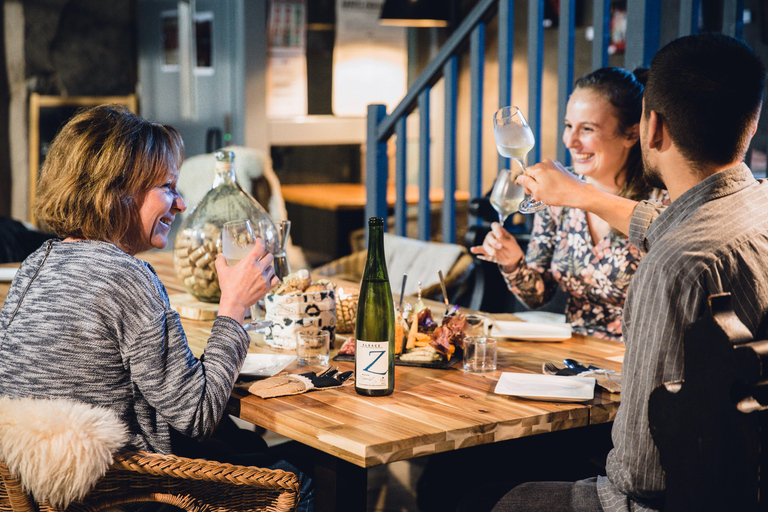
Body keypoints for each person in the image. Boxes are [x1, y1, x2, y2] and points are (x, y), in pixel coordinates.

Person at [492, 32, 767, 512]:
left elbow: (642, 474)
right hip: (747, 476)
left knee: (499, 496)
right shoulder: (755, 209)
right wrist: (579, 195)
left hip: (675, 497)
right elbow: (668, 224)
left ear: (650, 127)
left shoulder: (674, 265)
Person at [0, 105, 312, 510]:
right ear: (117, 191)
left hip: (47, 490)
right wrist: (235, 304)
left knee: (244, 442)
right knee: (305, 474)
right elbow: (197, 415)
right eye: (168, 186)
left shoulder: (36, 263)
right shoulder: (127, 277)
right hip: (128, 495)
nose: (181, 204)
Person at [471, 67, 665, 341]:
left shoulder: (660, 200)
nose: (570, 141)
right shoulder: (556, 195)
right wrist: (513, 262)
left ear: (631, 134)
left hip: (639, 358)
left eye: (587, 129)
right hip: (574, 357)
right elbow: (539, 295)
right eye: (568, 125)